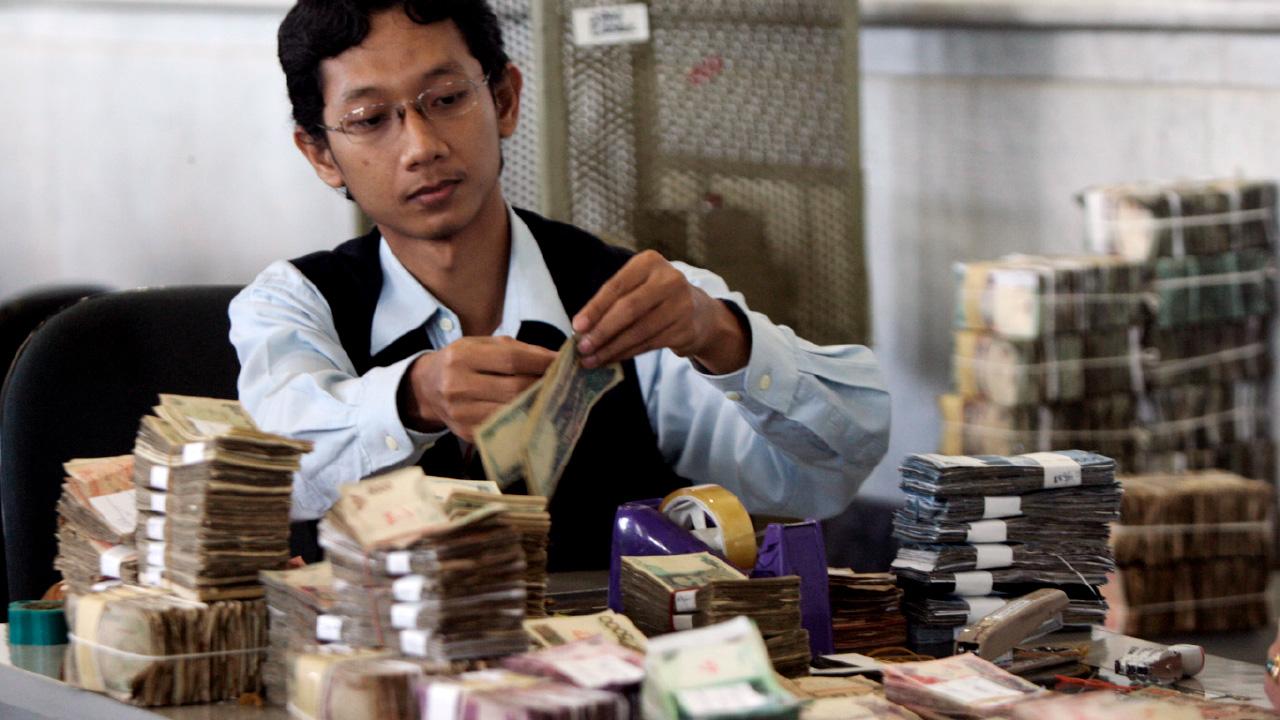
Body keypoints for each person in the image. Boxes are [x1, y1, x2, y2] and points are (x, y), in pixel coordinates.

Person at [229, 0, 890, 570]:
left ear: (505, 101)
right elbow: (272, 474)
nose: (421, 146)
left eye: (448, 99)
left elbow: (830, 469)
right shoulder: (293, 303)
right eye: (371, 118)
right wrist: (413, 397)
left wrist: (722, 337)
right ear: (321, 153)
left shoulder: (638, 302)